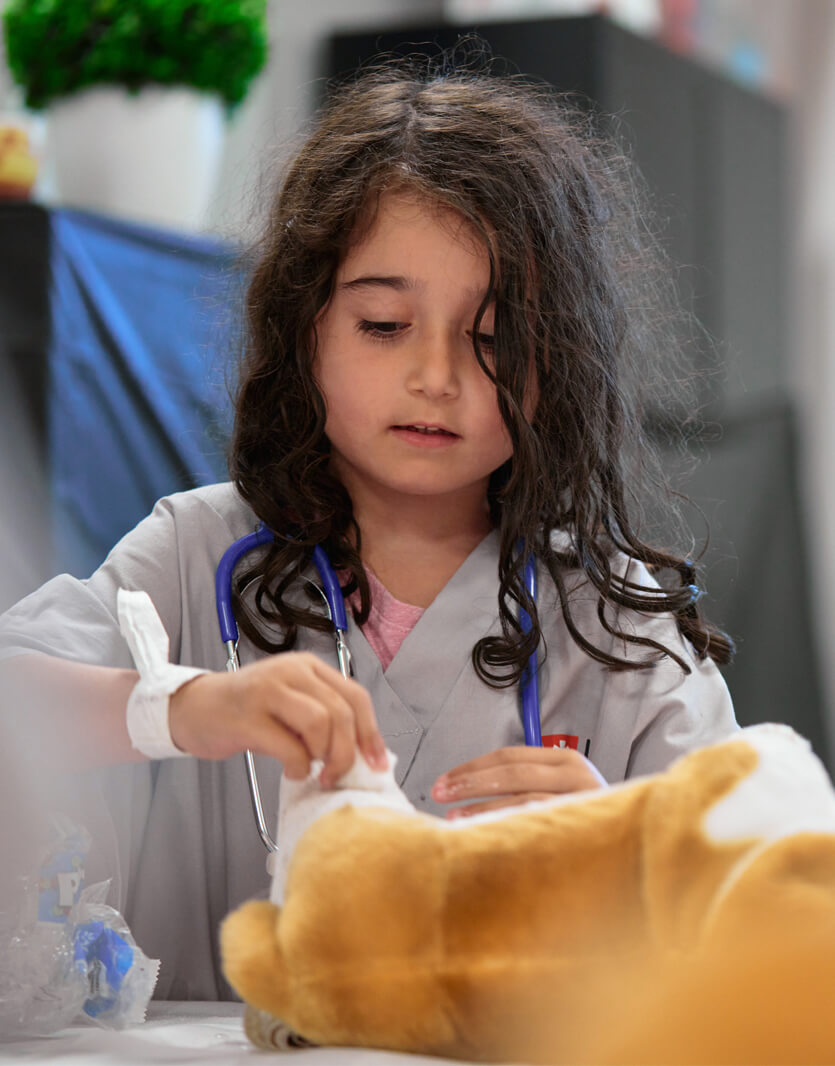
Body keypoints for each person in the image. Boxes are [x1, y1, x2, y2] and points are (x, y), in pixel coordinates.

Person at [0, 59, 736, 1000]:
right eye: (384, 324)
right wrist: (175, 708)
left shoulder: (622, 628)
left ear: (558, 358)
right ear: (305, 329)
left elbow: (757, 915)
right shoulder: (195, 554)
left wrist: (627, 863)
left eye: (493, 335)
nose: (437, 375)